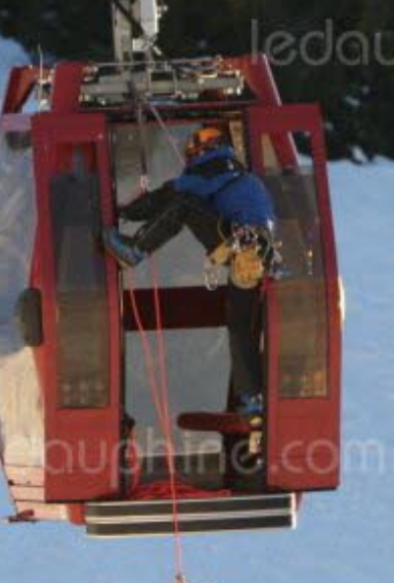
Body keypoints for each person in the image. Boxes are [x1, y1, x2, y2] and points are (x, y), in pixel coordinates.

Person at [103, 125, 282, 417]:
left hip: (238, 244)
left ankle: (135, 250)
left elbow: (171, 195)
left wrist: (123, 211)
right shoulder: (239, 174)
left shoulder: (212, 168)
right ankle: (251, 397)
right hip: (257, 255)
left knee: (184, 206)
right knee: (239, 326)